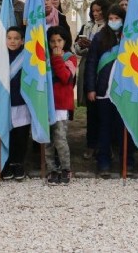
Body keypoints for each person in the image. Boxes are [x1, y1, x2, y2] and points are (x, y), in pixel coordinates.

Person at [85, 6, 132, 174]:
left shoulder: (130, 37)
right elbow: (91, 64)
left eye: (116, 18)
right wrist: (91, 88)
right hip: (104, 90)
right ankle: (103, 161)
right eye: (110, 19)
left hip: (124, 92)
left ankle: (127, 161)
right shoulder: (99, 38)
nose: (114, 22)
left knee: (124, 126)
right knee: (104, 126)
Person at [75, 0, 109, 160]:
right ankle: (91, 144)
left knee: (105, 112)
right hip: (88, 68)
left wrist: (95, 46)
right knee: (91, 110)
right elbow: (75, 48)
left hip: (105, 70)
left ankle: (104, 146)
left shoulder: (110, 27)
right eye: (93, 11)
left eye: (99, 10)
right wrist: (81, 45)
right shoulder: (87, 26)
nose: (96, 14)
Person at [45, 26, 75, 184]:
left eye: (59, 40)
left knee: (60, 138)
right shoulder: (44, 57)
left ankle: (66, 168)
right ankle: (51, 168)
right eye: (52, 41)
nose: (56, 44)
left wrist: (57, 59)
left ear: (65, 41)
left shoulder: (70, 58)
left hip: (62, 104)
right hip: (47, 103)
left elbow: (65, 77)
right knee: (48, 139)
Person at [4, 27, 30, 181]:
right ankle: (6, 162)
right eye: (9, 38)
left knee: (21, 135)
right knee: (7, 134)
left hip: (21, 102)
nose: (12, 41)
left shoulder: (26, 57)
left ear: (22, 41)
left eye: (16, 38)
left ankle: (18, 163)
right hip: (5, 103)